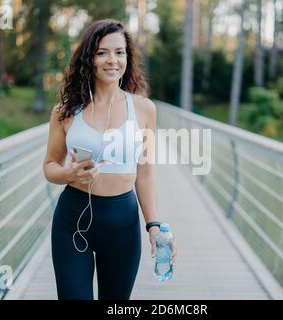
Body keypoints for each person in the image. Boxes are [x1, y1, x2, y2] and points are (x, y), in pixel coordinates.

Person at [43, 19, 177, 300]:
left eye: (119, 52)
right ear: (89, 58)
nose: (112, 60)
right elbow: (50, 166)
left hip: (123, 225)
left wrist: (154, 225)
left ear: (127, 57)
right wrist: (70, 174)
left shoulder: (143, 109)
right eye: (102, 52)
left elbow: (146, 173)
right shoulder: (66, 111)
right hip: (73, 221)